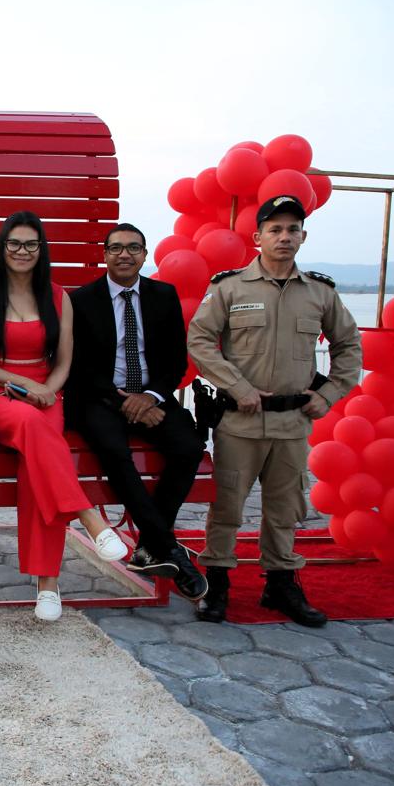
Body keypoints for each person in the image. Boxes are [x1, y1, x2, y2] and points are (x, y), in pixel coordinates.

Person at [187, 195, 361, 626]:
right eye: (275, 229)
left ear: (303, 236)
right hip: (239, 421)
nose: (284, 237)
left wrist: (330, 393)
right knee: (227, 506)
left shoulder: (319, 292)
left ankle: (280, 585)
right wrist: (237, 386)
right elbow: (200, 340)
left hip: (293, 421)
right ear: (258, 236)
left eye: (292, 229)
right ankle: (218, 584)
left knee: (285, 509)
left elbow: (349, 346)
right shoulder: (229, 286)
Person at [0, 211, 130, 622]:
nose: (22, 251)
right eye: (14, 243)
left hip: (45, 393)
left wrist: (48, 391)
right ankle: (88, 518)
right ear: (2, 249)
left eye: (30, 244)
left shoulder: (58, 297)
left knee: (38, 463)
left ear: (41, 250)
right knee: (38, 434)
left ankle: (47, 585)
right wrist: (25, 386)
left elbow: (64, 361)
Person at [66, 223, 208, 601]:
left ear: (145, 255)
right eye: (116, 248)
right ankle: (170, 548)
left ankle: (149, 544)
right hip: (99, 400)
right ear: (105, 254)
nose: (124, 254)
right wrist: (125, 402)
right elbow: (79, 367)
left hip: (152, 395)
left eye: (133, 248)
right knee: (115, 451)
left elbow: (177, 359)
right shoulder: (82, 300)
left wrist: (150, 396)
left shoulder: (163, 295)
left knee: (189, 447)